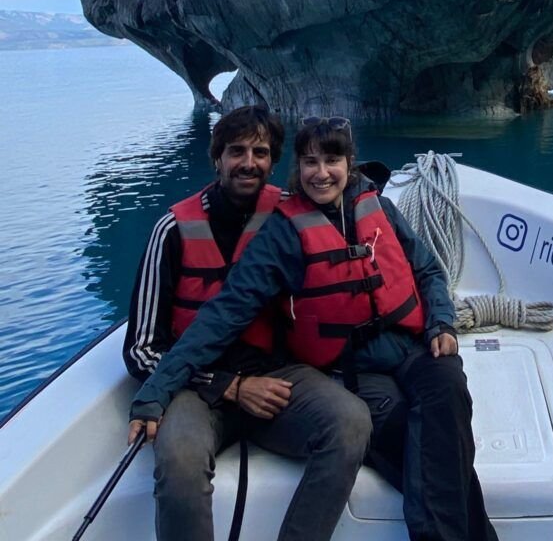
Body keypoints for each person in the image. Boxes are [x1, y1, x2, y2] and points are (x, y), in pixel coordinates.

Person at [130, 115, 498, 541]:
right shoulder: (256, 230)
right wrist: (165, 391)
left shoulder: (369, 205)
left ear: (349, 163)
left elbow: (427, 270)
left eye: (260, 153)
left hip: (345, 361)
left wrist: (441, 323)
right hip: (240, 378)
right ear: (216, 157)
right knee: (401, 430)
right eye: (310, 162)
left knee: (444, 398)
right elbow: (221, 314)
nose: (321, 173)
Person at [125, 106, 374, 541]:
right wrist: (229, 386)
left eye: (260, 152)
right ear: (216, 158)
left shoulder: (291, 217)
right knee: (179, 462)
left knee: (350, 423)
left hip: (276, 375)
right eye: (236, 151)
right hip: (194, 387)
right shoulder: (172, 230)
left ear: (274, 161)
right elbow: (141, 348)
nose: (248, 163)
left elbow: (354, 224)